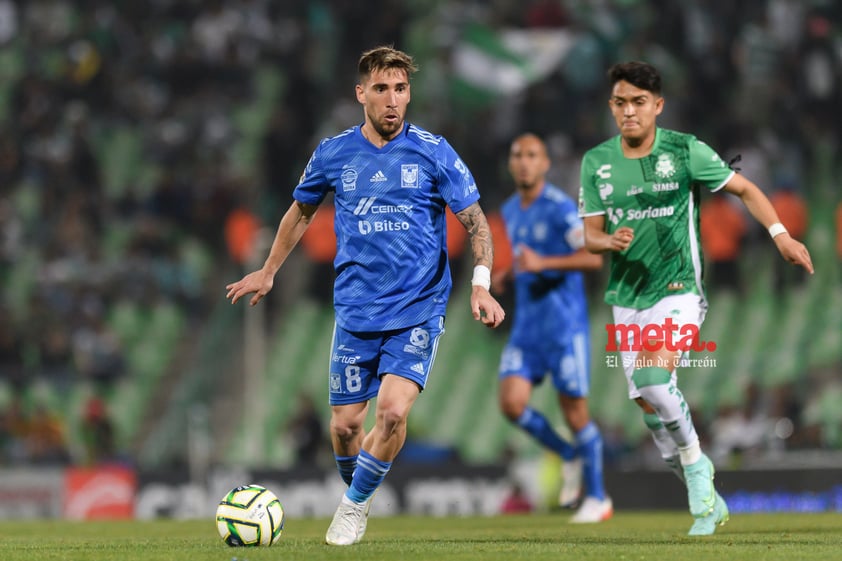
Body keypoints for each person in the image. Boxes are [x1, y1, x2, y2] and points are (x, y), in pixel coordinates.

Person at [226, 46, 505, 546]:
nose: (392, 100)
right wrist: (268, 271)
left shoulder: (434, 151)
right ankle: (361, 493)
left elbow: (477, 222)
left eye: (400, 89)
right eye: (381, 89)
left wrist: (479, 284)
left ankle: (351, 508)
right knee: (344, 431)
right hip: (356, 311)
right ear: (361, 94)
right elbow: (300, 213)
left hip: (418, 308)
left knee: (393, 413)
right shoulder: (334, 153)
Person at [579, 61, 813, 536]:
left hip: (678, 290)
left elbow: (745, 188)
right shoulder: (595, 163)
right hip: (627, 297)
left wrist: (781, 235)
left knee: (652, 376)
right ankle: (701, 486)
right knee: (649, 404)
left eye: (639, 102)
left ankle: (698, 467)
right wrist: (608, 243)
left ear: (657, 106)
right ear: (611, 106)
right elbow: (591, 235)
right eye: (621, 102)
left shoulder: (686, 151)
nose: (629, 111)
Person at [495, 133, 611, 523]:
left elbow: (592, 259)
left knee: (576, 414)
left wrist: (544, 264)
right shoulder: (510, 209)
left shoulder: (561, 208)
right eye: (518, 155)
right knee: (511, 404)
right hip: (527, 328)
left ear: (545, 164)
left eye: (532, 155)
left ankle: (597, 498)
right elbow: (525, 255)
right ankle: (565, 453)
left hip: (565, 328)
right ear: (511, 164)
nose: (524, 162)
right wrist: (507, 273)